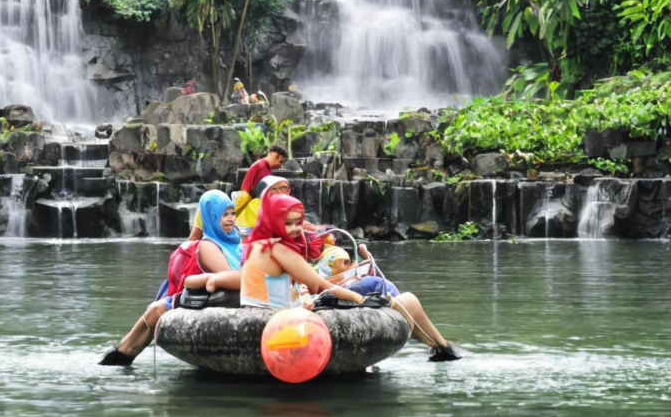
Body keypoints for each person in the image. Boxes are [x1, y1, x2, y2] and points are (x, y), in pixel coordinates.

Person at [240, 193, 461, 362]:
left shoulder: (260, 244)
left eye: (298, 222)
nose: (296, 228)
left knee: (405, 300)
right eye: (288, 223)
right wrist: (360, 300)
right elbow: (318, 284)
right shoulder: (278, 249)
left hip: (275, 314)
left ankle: (439, 347)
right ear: (273, 221)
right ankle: (441, 347)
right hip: (274, 321)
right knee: (403, 300)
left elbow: (301, 284)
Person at [99, 190, 241, 366]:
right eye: (223, 215)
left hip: (220, 295)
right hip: (210, 296)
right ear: (210, 218)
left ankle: (122, 350)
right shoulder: (208, 245)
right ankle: (121, 354)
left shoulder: (235, 241)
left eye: (232, 213)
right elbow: (231, 277)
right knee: (157, 309)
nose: (230, 219)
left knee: (158, 308)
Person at [187, 145, 287, 241]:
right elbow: (249, 184)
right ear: (273, 155)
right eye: (279, 159)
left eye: (282, 189)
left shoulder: (266, 170)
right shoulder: (260, 166)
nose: (280, 163)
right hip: (247, 198)